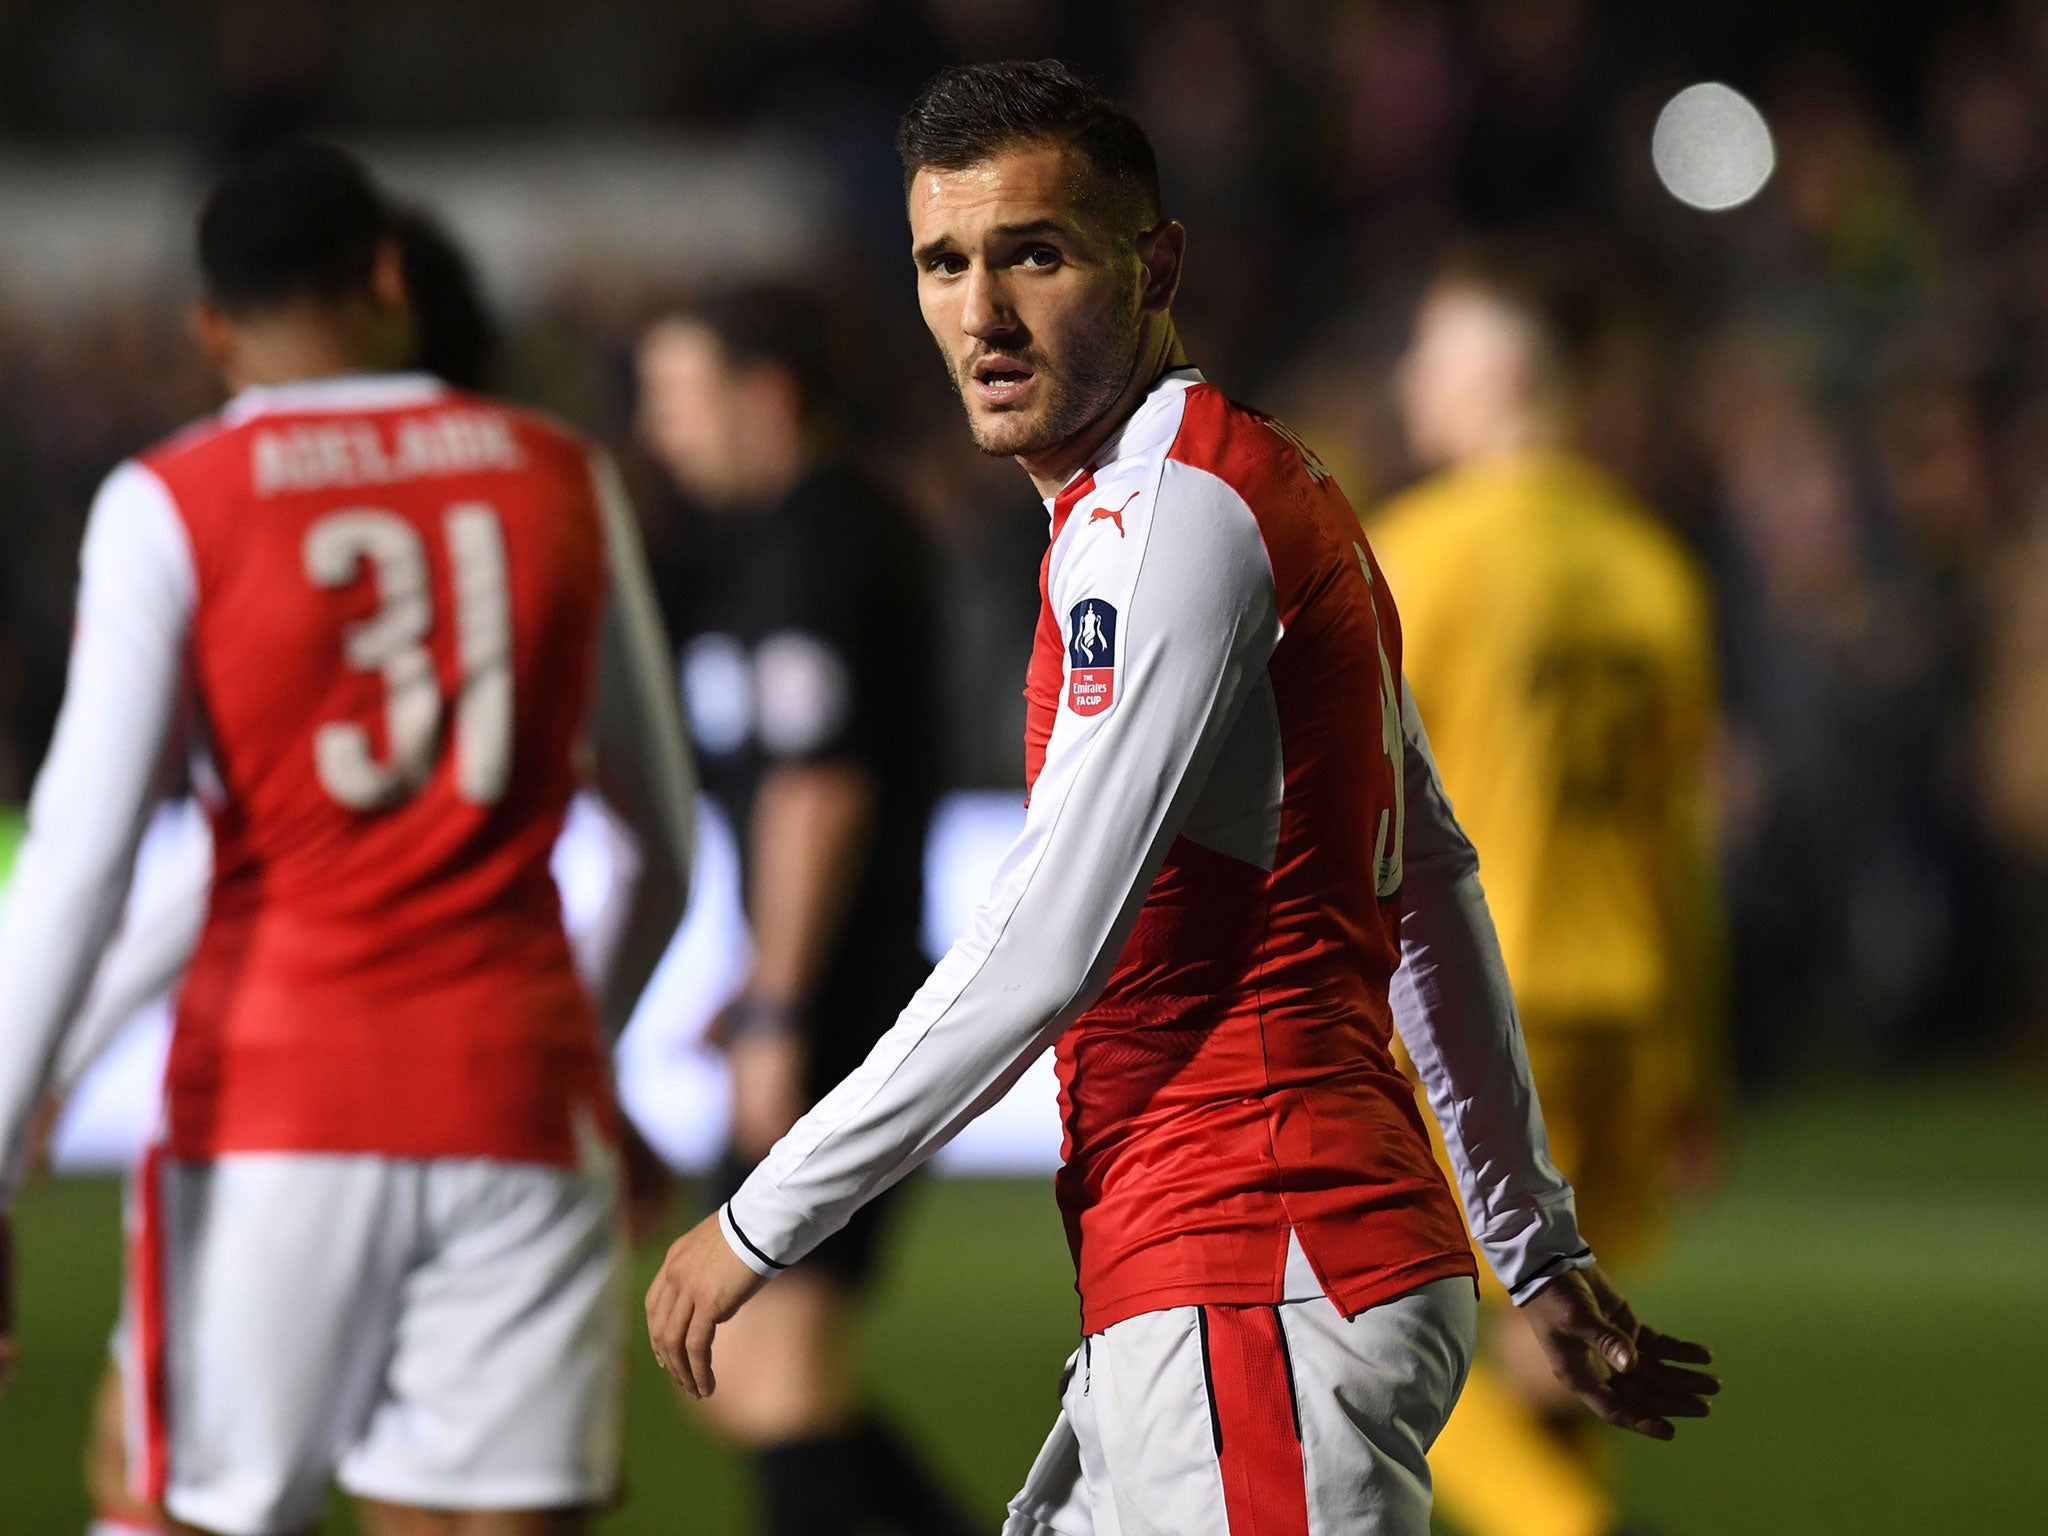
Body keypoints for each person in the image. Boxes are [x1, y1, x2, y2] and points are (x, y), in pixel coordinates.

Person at [646, 60, 1718, 1536]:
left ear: (1154, 268)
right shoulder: (1237, 489)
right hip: (1234, 1269)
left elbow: (1046, 940)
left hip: (1260, 1260)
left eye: (1035, 252)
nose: (983, 312)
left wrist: (765, 1214)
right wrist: (1528, 1242)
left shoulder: (1176, 521)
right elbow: (1428, 878)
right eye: (944, 264)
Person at [0, 142, 696, 1536]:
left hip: (273, 1105)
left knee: (175, 1510)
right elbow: (663, 849)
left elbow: (82, 858)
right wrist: (580, 1058)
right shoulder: (563, 475)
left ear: (210, 329)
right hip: (514, 1093)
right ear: (389, 277)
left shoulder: (174, 498)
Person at [1367, 253, 1727, 1536]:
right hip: (1621, 1001)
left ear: (1499, 379)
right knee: (1554, 1353)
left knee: (1367, 1351)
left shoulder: (1417, 555)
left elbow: (1355, 811)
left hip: (1470, 1014)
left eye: (1428, 350)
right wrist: (1697, 1062)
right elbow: (1678, 838)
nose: (1406, 376)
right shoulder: (1652, 570)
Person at [636, 286, 977, 1536]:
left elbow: (820, 788)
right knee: (748, 1369)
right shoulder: (800, 536)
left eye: (677, 396)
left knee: (764, 1362)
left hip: (841, 1002)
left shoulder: (821, 540)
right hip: (835, 985)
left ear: (763, 394)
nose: (658, 431)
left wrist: (779, 1004)